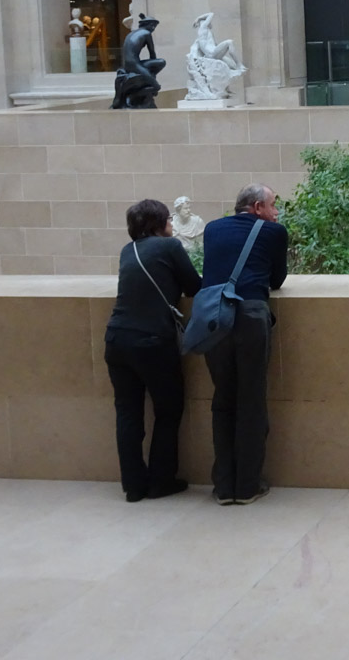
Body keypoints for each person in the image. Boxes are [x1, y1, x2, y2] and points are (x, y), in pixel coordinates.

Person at [104, 199, 202, 503]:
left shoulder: (127, 250)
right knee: (168, 409)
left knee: (128, 412)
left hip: (117, 339)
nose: (172, 222)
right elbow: (194, 287)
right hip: (152, 341)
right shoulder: (170, 246)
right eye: (168, 219)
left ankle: (133, 486)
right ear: (159, 223)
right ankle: (161, 480)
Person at [201, 184, 289, 506]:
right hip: (251, 316)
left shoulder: (212, 229)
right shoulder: (274, 232)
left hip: (215, 318)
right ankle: (248, 485)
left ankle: (224, 486)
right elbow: (276, 280)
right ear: (257, 207)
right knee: (251, 400)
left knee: (223, 398)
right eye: (272, 205)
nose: (276, 212)